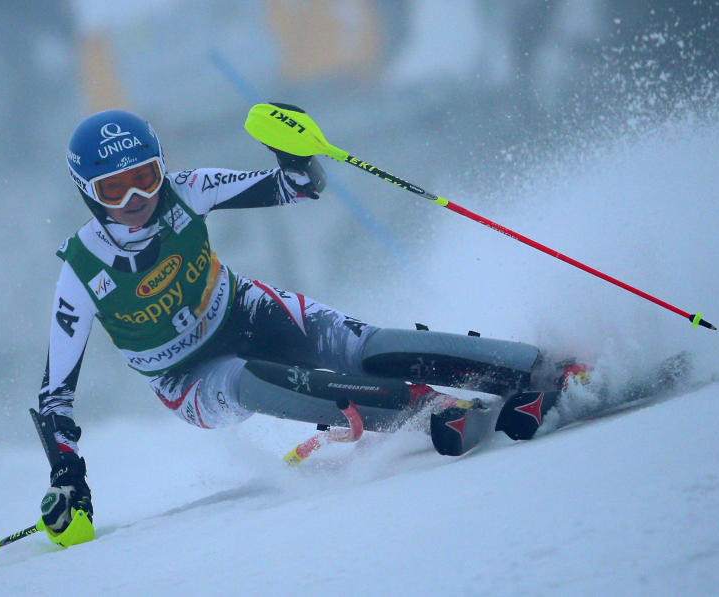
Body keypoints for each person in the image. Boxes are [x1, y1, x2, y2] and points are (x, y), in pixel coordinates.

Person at [34, 105, 556, 548]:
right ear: (88, 193)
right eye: (114, 190)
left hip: (244, 310)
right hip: (188, 379)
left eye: (144, 178)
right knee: (249, 380)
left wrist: (295, 155)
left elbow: (298, 187)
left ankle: (533, 366)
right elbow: (56, 395)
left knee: (366, 347)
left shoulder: (185, 191)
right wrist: (67, 474)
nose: (136, 201)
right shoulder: (80, 272)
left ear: (161, 169)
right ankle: (426, 407)